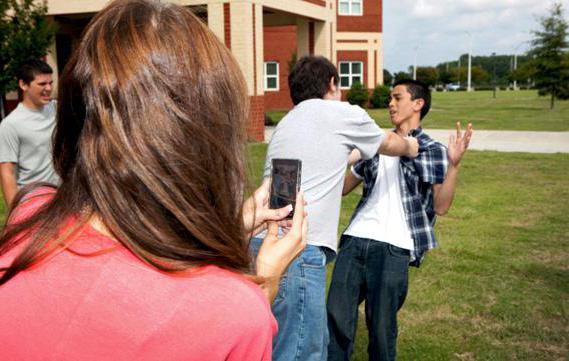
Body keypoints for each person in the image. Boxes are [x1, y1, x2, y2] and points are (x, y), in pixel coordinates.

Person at [0, 0, 307, 359]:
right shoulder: (232, 315)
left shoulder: (29, 219)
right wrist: (264, 284)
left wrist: (233, 227)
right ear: (206, 138)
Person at [252, 56, 419, 361]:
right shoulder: (341, 113)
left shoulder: (290, 122)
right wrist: (411, 146)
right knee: (303, 350)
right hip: (298, 251)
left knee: (285, 342)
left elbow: (326, 159)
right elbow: (388, 143)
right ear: (331, 84)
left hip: (263, 246)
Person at [327, 79, 473, 361]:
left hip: (394, 247)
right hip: (355, 240)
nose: (390, 103)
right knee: (335, 319)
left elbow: (441, 206)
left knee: (381, 330)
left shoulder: (431, 149)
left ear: (418, 104)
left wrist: (453, 165)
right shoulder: (378, 144)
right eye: (390, 98)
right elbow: (344, 187)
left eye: (397, 97)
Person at [0, 60, 59, 209]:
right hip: (32, 202)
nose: (49, 88)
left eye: (50, 83)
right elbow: (7, 172)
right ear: (23, 85)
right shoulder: (11, 124)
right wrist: (15, 214)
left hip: (61, 199)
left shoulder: (57, 109)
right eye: (42, 84)